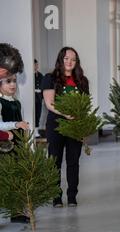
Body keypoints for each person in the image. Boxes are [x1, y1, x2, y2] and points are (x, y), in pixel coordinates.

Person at [42, 47, 89, 208]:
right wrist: (66, 114)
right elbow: (49, 103)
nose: (70, 62)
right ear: (61, 59)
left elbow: (84, 106)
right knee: (55, 161)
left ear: (77, 62)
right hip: (56, 126)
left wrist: (83, 128)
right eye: (66, 58)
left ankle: (72, 196)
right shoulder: (50, 78)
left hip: (75, 127)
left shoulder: (82, 81)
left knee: (73, 162)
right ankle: (56, 196)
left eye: (73, 59)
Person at [0, 74, 31, 224]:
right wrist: (16, 125)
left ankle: (16, 212)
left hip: (18, 145)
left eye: (14, 81)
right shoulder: (0, 102)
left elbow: (20, 120)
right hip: (4, 147)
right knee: (6, 177)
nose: (12, 85)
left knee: (17, 177)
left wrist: (23, 129)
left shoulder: (17, 103)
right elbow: (0, 125)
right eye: (8, 82)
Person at [34, 59, 43, 137]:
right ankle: (32, 130)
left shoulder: (40, 75)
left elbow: (43, 85)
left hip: (39, 98)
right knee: (34, 113)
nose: (36, 66)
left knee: (38, 114)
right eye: (34, 65)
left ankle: (36, 130)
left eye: (36, 65)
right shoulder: (31, 75)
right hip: (33, 98)